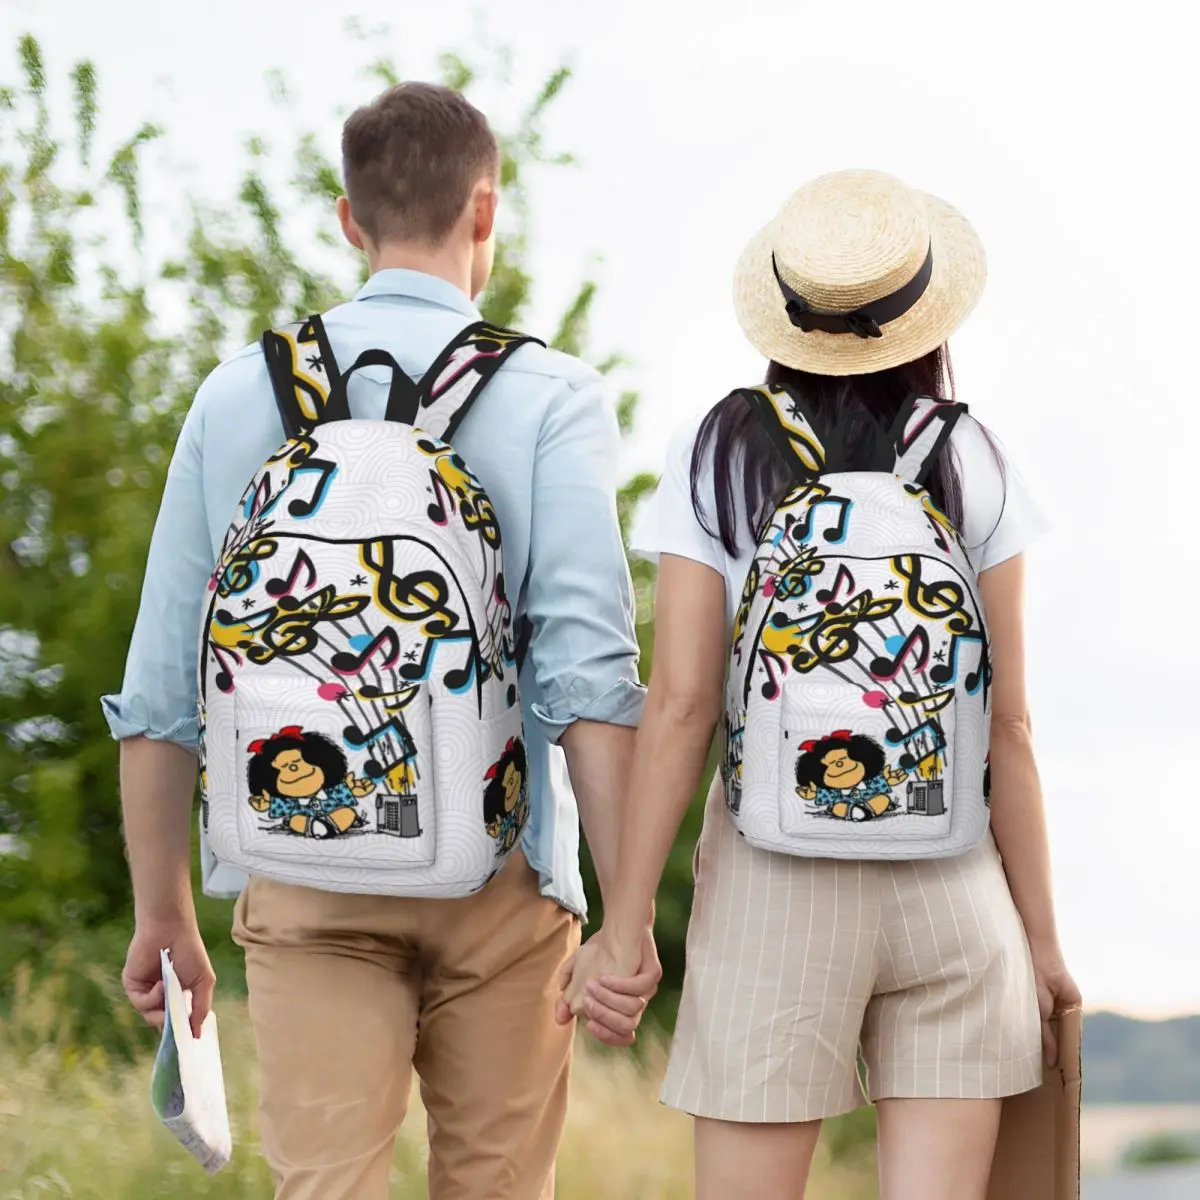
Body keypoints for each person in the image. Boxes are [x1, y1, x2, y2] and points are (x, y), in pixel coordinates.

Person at [106, 81, 660, 1200]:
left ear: (349, 219)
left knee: (325, 1186)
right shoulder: (550, 395)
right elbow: (588, 679)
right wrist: (627, 915)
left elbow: (164, 683)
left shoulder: (235, 398)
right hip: (503, 880)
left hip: (301, 872)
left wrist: (163, 910)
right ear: (486, 213)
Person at [560, 169, 1081, 1200]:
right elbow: (1011, 724)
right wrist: (1043, 944)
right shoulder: (971, 455)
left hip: (772, 886)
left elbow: (680, 704)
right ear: (925, 314)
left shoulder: (719, 450)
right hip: (954, 885)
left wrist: (623, 927)